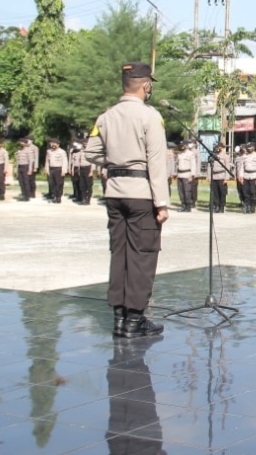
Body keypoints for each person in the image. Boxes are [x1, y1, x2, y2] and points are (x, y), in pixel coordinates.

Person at [84, 61, 169, 338]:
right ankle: (135, 320)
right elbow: (156, 161)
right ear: (146, 85)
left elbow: (91, 153)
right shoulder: (149, 116)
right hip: (142, 194)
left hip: (114, 192)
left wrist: (117, 160)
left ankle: (119, 318)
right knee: (142, 256)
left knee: (119, 255)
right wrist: (162, 203)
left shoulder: (105, 117)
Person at [237, 143, 256, 213]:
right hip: (246, 175)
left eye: (250, 148)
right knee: (246, 192)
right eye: (248, 148)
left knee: (253, 193)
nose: (249, 149)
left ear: (253, 148)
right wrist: (240, 176)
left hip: (254, 175)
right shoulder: (244, 156)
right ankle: (247, 206)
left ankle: (252, 206)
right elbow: (242, 167)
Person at [209, 142, 231, 213]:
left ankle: (222, 206)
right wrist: (208, 176)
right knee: (214, 193)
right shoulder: (212, 156)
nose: (217, 149)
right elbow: (209, 167)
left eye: (218, 147)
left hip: (222, 176)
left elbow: (227, 168)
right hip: (214, 176)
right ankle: (216, 206)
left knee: (222, 192)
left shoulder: (226, 157)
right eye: (216, 147)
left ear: (221, 148)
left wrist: (226, 178)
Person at [44, 138, 68, 203]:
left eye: (54, 144)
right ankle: (54, 195)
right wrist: (46, 169)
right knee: (51, 184)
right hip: (51, 169)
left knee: (59, 184)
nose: (53, 145)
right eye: (52, 143)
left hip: (59, 169)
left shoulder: (62, 152)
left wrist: (64, 171)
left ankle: (58, 197)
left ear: (58, 144)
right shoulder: (49, 151)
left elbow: (64, 162)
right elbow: (47, 161)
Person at [175, 141, 196, 212]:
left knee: (187, 191)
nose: (181, 147)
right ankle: (183, 205)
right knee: (180, 191)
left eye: (183, 145)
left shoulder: (190, 154)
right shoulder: (179, 154)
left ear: (186, 146)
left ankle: (188, 206)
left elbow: (193, 165)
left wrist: (192, 175)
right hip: (180, 174)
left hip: (187, 174)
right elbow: (177, 164)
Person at [72, 139, 92, 205]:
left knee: (88, 185)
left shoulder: (91, 151)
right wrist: (78, 170)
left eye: (86, 143)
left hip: (88, 168)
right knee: (82, 185)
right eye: (84, 143)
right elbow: (79, 161)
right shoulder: (81, 151)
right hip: (81, 169)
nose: (85, 144)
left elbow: (93, 162)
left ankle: (88, 200)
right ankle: (83, 199)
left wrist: (91, 171)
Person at [15, 137, 33, 201]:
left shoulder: (28, 150)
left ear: (25, 143)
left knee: (26, 182)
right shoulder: (19, 151)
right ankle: (23, 194)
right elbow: (17, 161)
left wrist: (30, 169)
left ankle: (27, 196)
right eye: (20, 142)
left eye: (21, 142)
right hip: (20, 167)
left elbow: (30, 161)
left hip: (26, 166)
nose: (20, 143)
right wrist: (16, 169)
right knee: (21, 182)